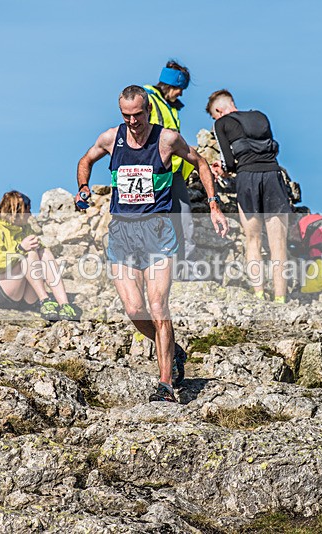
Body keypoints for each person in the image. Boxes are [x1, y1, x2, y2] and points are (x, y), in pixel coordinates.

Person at [76, 85, 229, 402]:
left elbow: (200, 162)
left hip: (158, 231)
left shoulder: (166, 139)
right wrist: (83, 188)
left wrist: (213, 206)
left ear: (147, 110)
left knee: (158, 307)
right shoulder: (111, 138)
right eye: (126, 116)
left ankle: (166, 384)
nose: (132, 122)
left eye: (137, 115)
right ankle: (174, 350)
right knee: (134, 309)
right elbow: (85, 160)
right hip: (122, 234)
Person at [206, 89, 291, 303]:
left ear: (218, 110)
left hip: (247, 179)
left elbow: (230, 161)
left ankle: (259, 294)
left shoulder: (222, 123)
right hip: (273, 175)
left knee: (253, 240)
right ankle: (281, 298)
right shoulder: (260, 116)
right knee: (278, 243)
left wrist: (222, 169)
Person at [0, 190, 81, 321]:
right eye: (28, 210)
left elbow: (43, 256)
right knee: (28, 253)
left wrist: (39, 249)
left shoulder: (25, 229)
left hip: (22, 296)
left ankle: (64, 304)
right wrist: (19, 248)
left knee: (44, 252)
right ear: (18, 210)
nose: (31, 215)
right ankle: (44, 300)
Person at [143, 60, 197, 266]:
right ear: (168, 85)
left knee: (184, 223)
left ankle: (185, 270)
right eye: (178, 89)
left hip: (174, 174)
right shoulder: (148, 98)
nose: (180, 94)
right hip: (154, 174)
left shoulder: (170, 108)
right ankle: (159, 269)